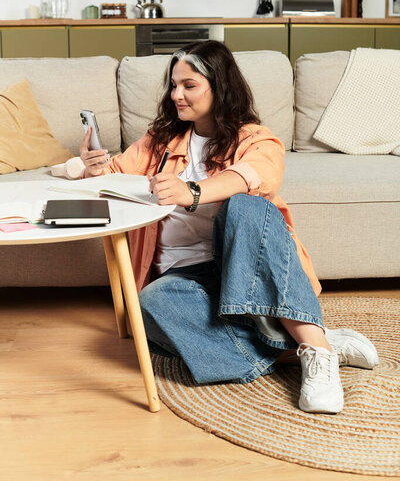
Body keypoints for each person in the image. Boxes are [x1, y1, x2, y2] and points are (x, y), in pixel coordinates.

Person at [80, 40, 378, 414]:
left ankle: (316, 351)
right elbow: (114, 175)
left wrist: (192, 191)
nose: (177, 95)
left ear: (219, 86)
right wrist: (93, 167)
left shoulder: (255, 138)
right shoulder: (159, 140)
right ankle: (298, 349)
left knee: (247, 207)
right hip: (182, 275)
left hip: (243, 268)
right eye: (174, 85)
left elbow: (255, 175)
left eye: (189, 86)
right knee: (151, 304)